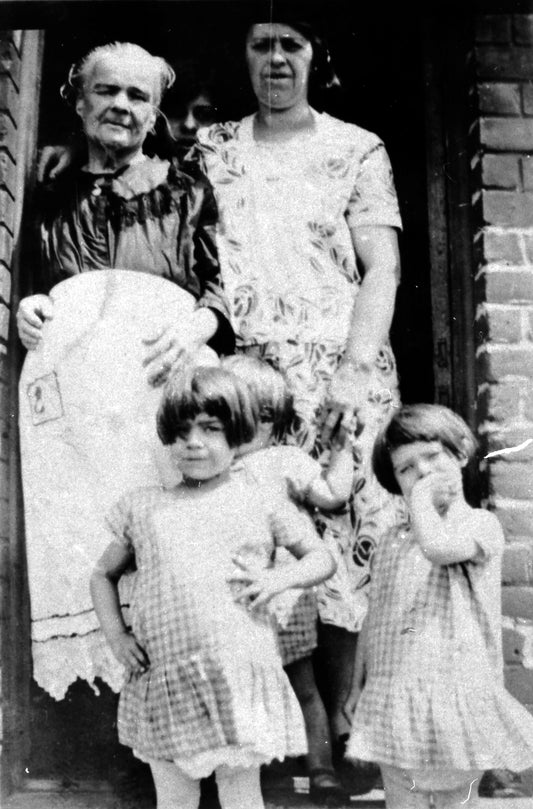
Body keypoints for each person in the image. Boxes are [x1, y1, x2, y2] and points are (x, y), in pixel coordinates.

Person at [192, 10, 404, 764]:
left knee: (348, 538)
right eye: (260, 45)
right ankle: (289, 735)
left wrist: (352, 369)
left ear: (317, 55)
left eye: (291, 44)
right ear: (242, 57)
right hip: (250, 377)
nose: (276, 59)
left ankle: (345, 727)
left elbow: (380, 266)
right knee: (264, 537)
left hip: (341, 370)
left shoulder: (354, 149)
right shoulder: (211, 147)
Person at [90, 365, 336, 809]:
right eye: (182, 431)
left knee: (241, 792)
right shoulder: (146, 507)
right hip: (167, 678)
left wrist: (278, 578)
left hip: (236, 672)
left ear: (236, 432)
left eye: (210, 428)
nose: (193, 442)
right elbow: (102, 575)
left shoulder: (259, 497)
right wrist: (117, 635)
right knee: (175, 798)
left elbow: (320, 558)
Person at [343, 404, 533, 808]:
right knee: (401, 794)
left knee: (453, 797)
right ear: (394, 482)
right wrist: (358, 684)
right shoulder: (392, 540)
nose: (423, 473)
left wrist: (423, 504)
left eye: (432, 457)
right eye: (406, 469)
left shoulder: (480, 524)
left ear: (461, 454)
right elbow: (375, 616)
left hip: (454, 695)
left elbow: (438, 547)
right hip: (395, 695)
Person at [17, 42, 234, 384]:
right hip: (74, 384)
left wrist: (198, 326)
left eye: (137, 96)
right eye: (105, 91)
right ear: (80, 102)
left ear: (152, 117)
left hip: (161, 386)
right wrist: (29, 306)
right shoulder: (51, 192)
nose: (120, 105)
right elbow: (29, 283)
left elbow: (221, 288)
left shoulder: (186, 192)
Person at [223, 354, 353, 803]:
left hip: (284, 597)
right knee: (242, 687)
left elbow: (333, 496)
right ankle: (247, 774)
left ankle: (321, 769)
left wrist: (343, 451)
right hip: (238, 603)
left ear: (263, 419)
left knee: (302, 685)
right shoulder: (212, 467)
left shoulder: (283, 460)